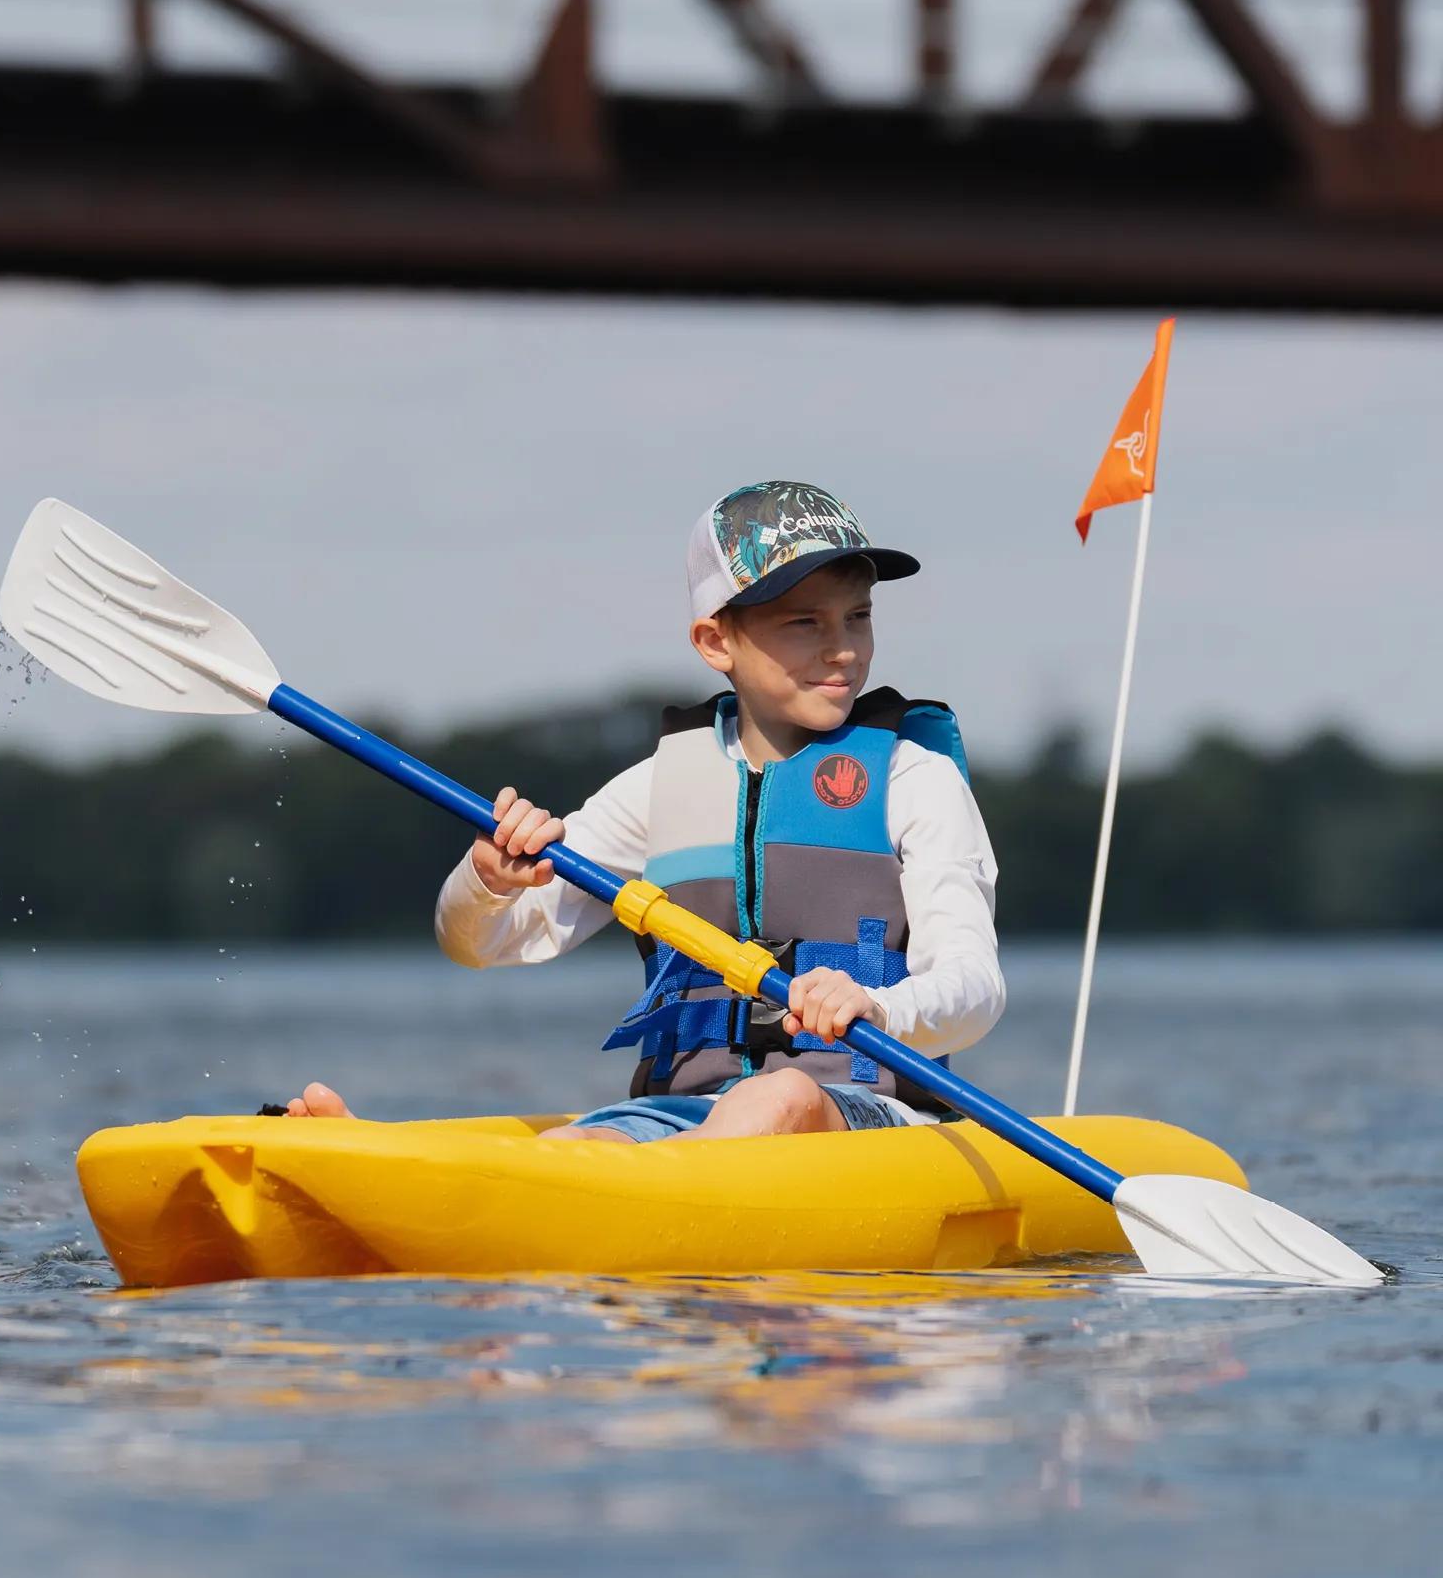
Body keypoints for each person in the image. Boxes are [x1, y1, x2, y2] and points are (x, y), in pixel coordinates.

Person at [286, 479, 1004, 1142]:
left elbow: (975, 989)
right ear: (715, 641)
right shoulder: (660, 787)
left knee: (775, 1098)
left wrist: (880, 1008)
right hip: (686, 1114)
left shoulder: (916, 778)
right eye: (804, 624)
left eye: (857, 617)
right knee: (588, 1139)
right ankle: (423, 1183)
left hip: (871, 1116)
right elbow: (477, 944)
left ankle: (595, 1203)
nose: (842, 649)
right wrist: (490, 882)